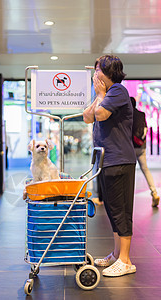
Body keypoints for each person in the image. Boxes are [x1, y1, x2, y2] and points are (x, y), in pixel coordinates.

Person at [83, 55, 136, 277]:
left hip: (120, 160)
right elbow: (88, 117)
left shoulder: (118, 92)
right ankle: (116, 254)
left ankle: (125, 260)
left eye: (98, 70)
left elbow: (101, 115)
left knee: (121, 211)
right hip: (107, 160)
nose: (95, 74)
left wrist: (100, 95)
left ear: (110, 72)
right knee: (114, 211)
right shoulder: (105, 95)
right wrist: (98, 97)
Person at [130, 96, 160, 207]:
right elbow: (145, 129)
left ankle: (128, 199)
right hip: (141, 147)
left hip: (130, 148)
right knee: (146, 170)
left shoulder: (127, 115)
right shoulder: (141, 114)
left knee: (130, 173)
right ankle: (154, 192)